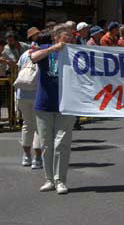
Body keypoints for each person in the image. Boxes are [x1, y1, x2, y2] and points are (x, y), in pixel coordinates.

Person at [32, 24, 75, 194]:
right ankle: (49, 179)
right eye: (65, 36)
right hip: (44, 104)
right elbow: (34, 57)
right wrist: (53, 49)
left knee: (62, 144)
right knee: (47, 144)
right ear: (56, 37)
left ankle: (60, 180)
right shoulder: (45, 48)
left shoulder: (76, 52)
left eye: (70, 36)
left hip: (67, 105)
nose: (69, 39)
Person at [15, 33, 43, 169]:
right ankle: (37, 158)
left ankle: (26, 156)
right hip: (37, 94)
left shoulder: (24, 54)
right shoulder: (43, 53)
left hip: (22, 94)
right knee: (38, 127)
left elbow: (20, 71)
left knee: (27, 124)